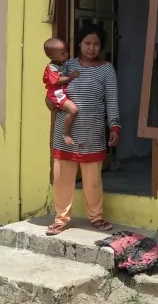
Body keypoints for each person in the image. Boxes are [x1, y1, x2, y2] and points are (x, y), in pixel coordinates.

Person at [44, 25, 121, 236]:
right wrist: (49, 102)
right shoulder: (65, 66)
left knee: (93, 181)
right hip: (65, 133)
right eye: (87, 43)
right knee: (62, 180)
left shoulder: (107, 70)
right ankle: (61, 219)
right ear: (79, 43)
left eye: (96, 44)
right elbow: (51, 91)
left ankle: (96, 217)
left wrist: (114, 126)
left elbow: (112, 100)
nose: (91, 48)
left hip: (93, 132)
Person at [42, 38, 79, 146]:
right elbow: (56, 80)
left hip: (61, 93)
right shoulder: (51, 67)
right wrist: (70, 77)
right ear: (52, 57)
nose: (66, 54)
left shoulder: (63, 64)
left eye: (66, 51)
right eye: (62, 53)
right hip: (57, 94)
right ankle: (65, 134)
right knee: (73, 110)